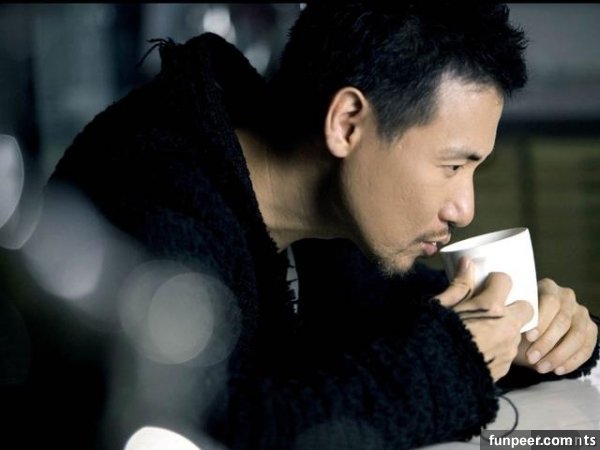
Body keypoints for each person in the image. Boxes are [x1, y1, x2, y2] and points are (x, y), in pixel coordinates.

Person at [46, 2, 598, 449]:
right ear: (347, 123)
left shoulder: (330, 220)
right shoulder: (154, 199)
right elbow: (195, 434)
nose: (464, 208)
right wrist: (453, 363)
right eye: (453, 166)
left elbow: (398, 326)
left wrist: (533, 341)